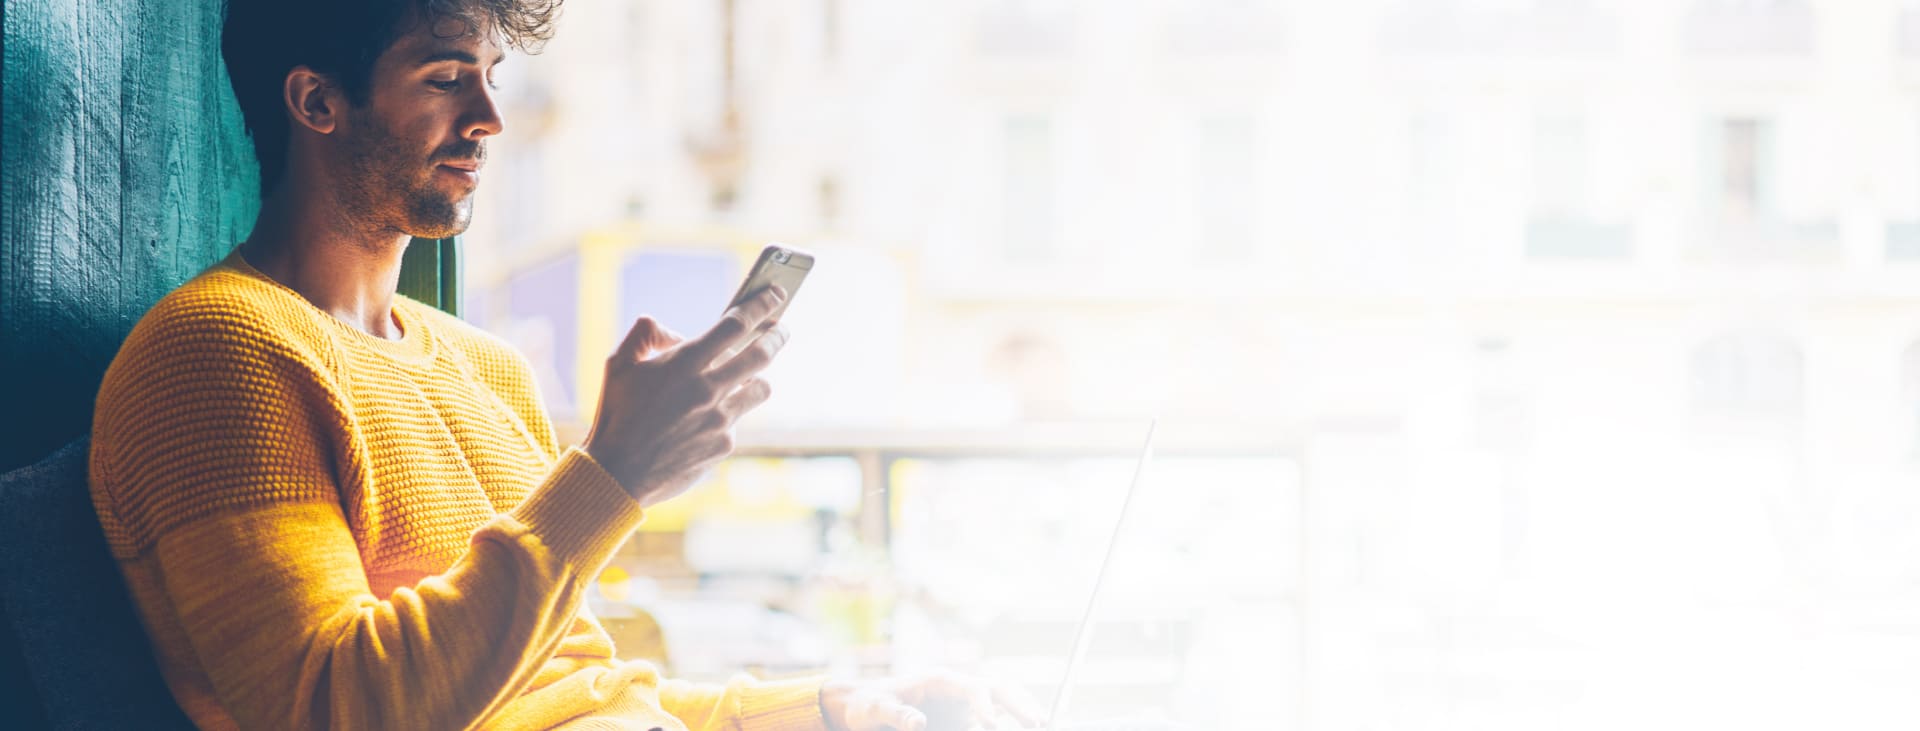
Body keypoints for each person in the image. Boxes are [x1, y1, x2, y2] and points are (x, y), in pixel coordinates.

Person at [87, 1, 1036, 728]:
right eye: (446, 77)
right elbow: (337, 703)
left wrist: (832, 705)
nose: (492, 116)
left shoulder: (484, 368)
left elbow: (583, 693)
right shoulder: (216, 353)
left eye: (493, 75)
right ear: (317, 101)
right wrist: (611, 474)